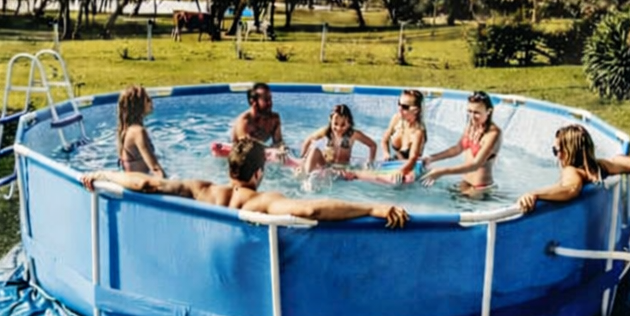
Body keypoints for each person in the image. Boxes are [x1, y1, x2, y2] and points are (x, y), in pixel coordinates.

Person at [82, 138, 409, 228]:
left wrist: (103, 174)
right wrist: (372, 208)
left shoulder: (201, 189)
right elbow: (311, 209)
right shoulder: (261, 201)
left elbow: (145, 184)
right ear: (258, 174)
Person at [516, 123, 630, 214]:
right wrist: (616, 158)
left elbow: (571, 189)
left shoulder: (571, 171)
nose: (556, 155)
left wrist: (535, 194)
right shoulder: (600, 166)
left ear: (568, 151)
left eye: (556, 150)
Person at [421, 91, 502, 194]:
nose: (472, 116)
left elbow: (475, 165)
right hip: (465, 182)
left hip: (480, 188)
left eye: (476, 113)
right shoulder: (471, 126)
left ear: (488, 111)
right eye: (469, 111)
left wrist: (442, 171)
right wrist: (432, 158)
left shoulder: (493, 134)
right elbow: (457, 148)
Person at [299, 104, 377, 174]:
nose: (339, 128)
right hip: (326, 166)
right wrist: (302, 159)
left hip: (343, 168)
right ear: (331, 121)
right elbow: (308, 140)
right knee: (314, 150)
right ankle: (307, 175)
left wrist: (370, 163)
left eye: (343, 125)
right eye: (335, 124)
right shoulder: (326, 132)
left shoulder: (353, 135)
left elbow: (373, 145)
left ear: (349, 123)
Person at [378, 89, 428, 182]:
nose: (399, 108)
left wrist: (400, 171)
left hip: (411, 168)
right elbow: (385, 139)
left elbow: (413, 159)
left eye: (405, 107)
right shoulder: (396, 118)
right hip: (394, 164)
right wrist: (386, 153)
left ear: (416, 110)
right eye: (399, 104)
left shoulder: (418, 132)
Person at [116, 85, 165, 177]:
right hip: (141, 184)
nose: (151, 102)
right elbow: (155, 168)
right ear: (139, 105)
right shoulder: (138, 132)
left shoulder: (128, 130)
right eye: (148, 100)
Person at [230, 82, 284, 147]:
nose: (270, 103)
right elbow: (246, 147)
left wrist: (281, 149)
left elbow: (278, 142)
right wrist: (270, 150)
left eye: (270, 99)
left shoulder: (274, 119)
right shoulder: (243, 121)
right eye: (266, 100)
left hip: (262, 149)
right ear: (253, 102)